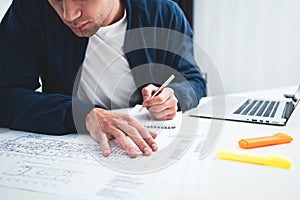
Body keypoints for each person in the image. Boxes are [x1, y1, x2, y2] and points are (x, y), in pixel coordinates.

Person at [0, 0, 206, 158]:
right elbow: (5, 95)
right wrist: (81, 114)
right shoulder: (30, 8)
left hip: (142, 147)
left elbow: (193, 80)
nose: (69, 14)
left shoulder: (164, 12)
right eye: (56, 0)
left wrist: (174, 96)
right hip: (71, 148)